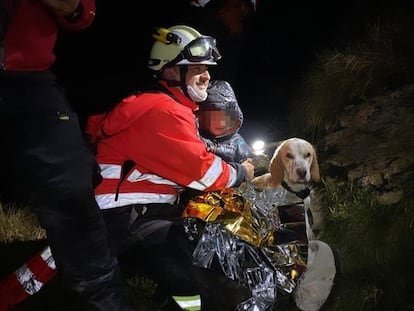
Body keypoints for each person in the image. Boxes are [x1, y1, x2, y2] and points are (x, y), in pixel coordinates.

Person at [86, 25, 255, 310]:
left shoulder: (165, 107)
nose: (207, 76)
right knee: (200, 291)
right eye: (198, 68)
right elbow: (204, 173)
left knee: (201, 272)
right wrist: (243, 173)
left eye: (208, 68)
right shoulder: (166, 111)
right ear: (172, 71)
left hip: (136, 214)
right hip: (130, 217)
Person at [0, 1, 135, 310]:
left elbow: (82, 14)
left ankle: (105, 304)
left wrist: (72, 7)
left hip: (28, 80)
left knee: (73, 197)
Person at [196, 79, 253, 163]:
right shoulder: (197, 137)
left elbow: (248, 162)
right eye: (214, 118)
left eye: (227, 118)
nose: (221, 123)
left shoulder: (237, 142)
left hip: (232, 173)